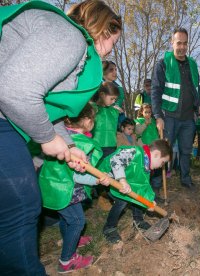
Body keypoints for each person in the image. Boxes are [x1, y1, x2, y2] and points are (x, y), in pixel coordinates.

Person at [0, 0, 121, 274]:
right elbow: (13, 90)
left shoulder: (69, 46)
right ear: (102, 31)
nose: (112, 49)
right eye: (113, 40)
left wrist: (67, 144)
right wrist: (46, 138)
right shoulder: (70, 37)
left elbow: (45, 108)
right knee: (20, 206)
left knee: (17, 204)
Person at [38, 103, 110, 273]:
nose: (94, 122)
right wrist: (98, 180)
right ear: (86, 120)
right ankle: (67, 260)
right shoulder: (81, 144)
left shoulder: (61, 135)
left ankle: (71, 239)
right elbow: (78, 175)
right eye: (92, 118)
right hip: (64, 188)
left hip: (55, 185)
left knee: (67, 218)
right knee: (77, 221)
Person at [151, 27, 200, 191]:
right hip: (169, 117)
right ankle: (157, 185)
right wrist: (158, 115)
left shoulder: (193, 64)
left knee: (186, 150)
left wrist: (199, 104)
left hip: (188, 118)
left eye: (185, 43)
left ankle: (186, 179)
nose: (182, 47)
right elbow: (155, 90)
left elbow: (195, 87)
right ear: (172, 43)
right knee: (164, 151)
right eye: (178, 43)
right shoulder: (163, 64)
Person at [100, 140, 171, 243]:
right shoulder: (134, 152)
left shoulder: (146, 166)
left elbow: (142, 186)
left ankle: (138, 221)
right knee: (122, 201)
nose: (161, 166)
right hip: (107, 178)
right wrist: (122, 180)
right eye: (162, 162)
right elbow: (116, 160)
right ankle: (109, 228)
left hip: (124, 182)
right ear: (156, 154)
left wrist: (149, 201)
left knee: (136, 196)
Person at [92, 81, 120, 157]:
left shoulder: (114, 111)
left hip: (111, 146)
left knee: (108, 167)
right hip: (96, 146)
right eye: (112, 98)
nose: (114, 101)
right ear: (102, 95)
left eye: (115, 99)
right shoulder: (93, 109)